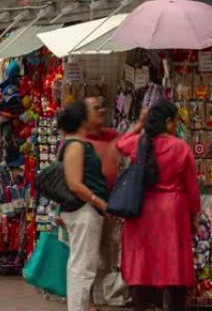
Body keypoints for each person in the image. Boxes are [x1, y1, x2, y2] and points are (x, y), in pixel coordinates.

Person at [116, 101, 199, 311]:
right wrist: (194, 216)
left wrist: (139, 124)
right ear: (168, 122)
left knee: (141, 265)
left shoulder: (139, 142)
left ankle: (141, 306)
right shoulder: (181, 147)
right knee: (174, 264)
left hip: (142, 209)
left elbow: (120, 144)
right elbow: (192, 188)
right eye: (175, 121)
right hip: (173, 212)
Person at [57, 101, 110, 311]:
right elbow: (74, 183)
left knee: (80, 266)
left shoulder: (74, 143)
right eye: (92, 112)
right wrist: (99, 202)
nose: (98, 114)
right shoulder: (76, 146)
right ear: (82, 120)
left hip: (82, 211)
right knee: (82, 268)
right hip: (84, 211)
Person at [84, 96, 128, 308]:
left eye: (102, 106)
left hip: (109, 204)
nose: (101, 111)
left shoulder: (113, 137)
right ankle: (88, 299)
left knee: (106, 252)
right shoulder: (79, 141)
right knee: (88, 255)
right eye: (95, 108)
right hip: (87, 205)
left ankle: (101, 295)